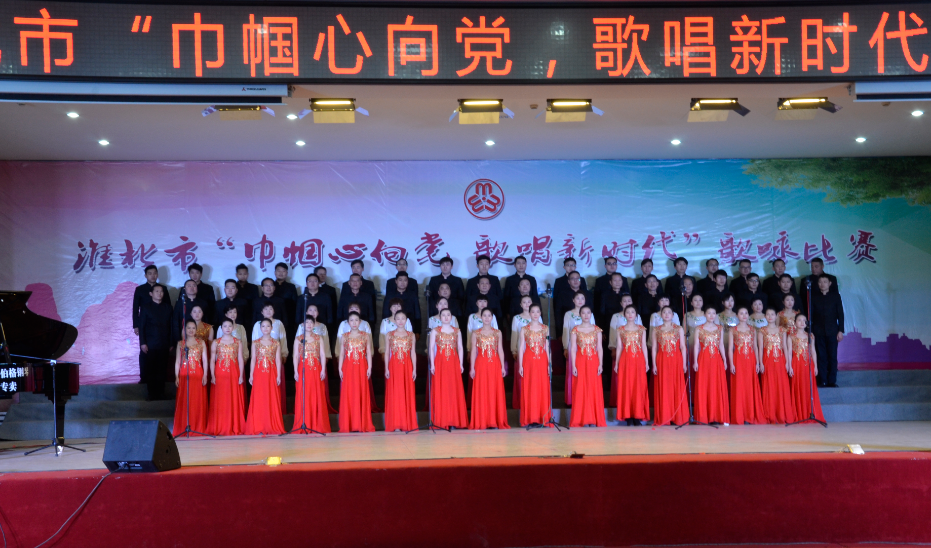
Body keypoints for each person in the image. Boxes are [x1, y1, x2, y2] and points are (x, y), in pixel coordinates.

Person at [469, 308, 509, 430]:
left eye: (489, 316)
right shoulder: (476, 333)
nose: (487, 318)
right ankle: (482, 420)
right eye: (484, 315)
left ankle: (494, 420)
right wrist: (472, 368)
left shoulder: (498, 332)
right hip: (481, 364)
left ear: (492, 318)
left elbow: (500, 350)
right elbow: (473, 351)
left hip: (494, 364)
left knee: (494, 391)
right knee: (482, 391)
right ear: (481, 317)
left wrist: (502, 366)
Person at [244, 318, 286, 435]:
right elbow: (253, 359)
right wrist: (251, 374)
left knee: (271, 397)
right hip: (259, 373)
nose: (265, 328)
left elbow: (278, 360)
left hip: (272, 373)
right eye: (263, 326)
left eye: (268, 326)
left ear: (271, 328)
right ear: (260, 328)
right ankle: (258, 425)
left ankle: (271, 425)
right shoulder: (255, 343)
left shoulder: (276, 343)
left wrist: (278, 375)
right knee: (259, 398)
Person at [429, 309, 468, 430]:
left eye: (448, 315)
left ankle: (454, 420)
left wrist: (461, 364)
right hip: (440, 362)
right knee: (442, 389)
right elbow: (431, 348)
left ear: (451, 317)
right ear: (440, 317)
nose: (446, 317)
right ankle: (442, 420)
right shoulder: (435, 331)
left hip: (453, 362)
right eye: (443, 315)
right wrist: (432, 365)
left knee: (453, 390)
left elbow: (460, 347)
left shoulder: (457, 331)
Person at [292, 315, 331, 434]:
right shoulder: (298, 339)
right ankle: (304, 423)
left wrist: (323, 369)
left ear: (314, 324)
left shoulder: (319, 338)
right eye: (306, 322)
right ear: (302, 325)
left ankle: (317, 424)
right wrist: (295, 371)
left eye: (311, 322)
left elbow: (322, 354)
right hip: (303, 370)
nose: (308, 324)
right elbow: (295, 356)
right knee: (304, 395)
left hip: (315, 369)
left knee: (316, 394)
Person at [207, 319, 246, 436]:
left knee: (233, 399)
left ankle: (234, 426)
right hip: (220, 373)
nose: (228, 328)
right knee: (221, 400)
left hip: (234, 373)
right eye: (225, 326)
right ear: (221, 328)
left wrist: (241, 375)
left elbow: (240, 359)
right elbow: (212, 360)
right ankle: (220, 426)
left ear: (233, 328)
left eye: (230, 326)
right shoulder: (216, 342)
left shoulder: (238, 342)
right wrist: (212, 375)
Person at [338, 311, 375, 433]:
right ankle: (349, 424)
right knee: (349, 393)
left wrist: (369, 367)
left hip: (361, 366)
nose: (354, 322)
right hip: (348, 367)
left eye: (356, 320)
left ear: (360, 322)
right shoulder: (344, 336)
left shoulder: (365, 336)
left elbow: (368, 352)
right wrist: (340, 368)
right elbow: (342, 353)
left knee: (361, 392)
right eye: (351, 320)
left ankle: (362, 424)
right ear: (348, 322)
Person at [727, 307, 765, 425]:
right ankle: (739, 415)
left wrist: (757, 363)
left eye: (746, 313)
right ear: (737, 315)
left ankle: (750, 415)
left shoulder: (752, 329)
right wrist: (731, 363)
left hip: (750, 361)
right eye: (741, 313)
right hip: (738, 360)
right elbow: (730, 349)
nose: (744, 315)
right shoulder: (732, 330)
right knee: (739, 387)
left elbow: (755, 347)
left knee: (749, 387)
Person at [758, 308, 796, 424]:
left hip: (780, 361)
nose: (770, 316)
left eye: (772, 314)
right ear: (765, 316)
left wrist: (788, 363)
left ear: (776, 316)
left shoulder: (782, 330)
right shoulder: (762, 331)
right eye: (768, 314)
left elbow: (785, 347)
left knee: (781, 386)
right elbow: (760, 349)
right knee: (769, 386)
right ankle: (770, 414)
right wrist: (760, 363)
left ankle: (782, 413)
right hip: (767, 360)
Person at [652, 306, 688, 426]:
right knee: (664, 387)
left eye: (669, 312)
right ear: (661, 315)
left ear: (673, 315)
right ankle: (665, 416)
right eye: (664, 312)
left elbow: (682, 347)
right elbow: (654, 348)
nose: (667, 314)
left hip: (676, 360)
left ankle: (677, 417)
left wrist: (684, 363)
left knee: (676, 386)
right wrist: (654, 364)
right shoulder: (656, 329)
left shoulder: (679, 328)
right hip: (662, 360)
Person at [569, 307, 605, 427]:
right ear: (580, 315)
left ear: (591, 314)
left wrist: (600, 364)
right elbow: (573, 349)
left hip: (593, 361)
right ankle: (581, 419)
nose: (586, 315)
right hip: (580, 361)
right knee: (581, 388)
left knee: (593, 388)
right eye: (583, 313)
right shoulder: (575, 329)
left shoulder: (597, 329)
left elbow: (599, 348)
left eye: (588, 313)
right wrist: (573, 365)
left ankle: (594, 418)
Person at [614, 305, 649, 426]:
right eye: (627, 312)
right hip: (625, 360)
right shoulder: (620, 329)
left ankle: (637, 416)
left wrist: (647, 362)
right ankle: (628, 416)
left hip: (639, 360)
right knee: (626, 387)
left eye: (632, 312)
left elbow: (644, 346)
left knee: (638, 387)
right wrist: (617, 363)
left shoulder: (642, 329)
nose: (630, 314)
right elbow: (619, 347)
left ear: (636, 315)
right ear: (624, 315)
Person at [693, 307, 729, 425]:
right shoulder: (699, 328)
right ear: (704, 314)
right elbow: (696, 346)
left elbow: (721, 345)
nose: (712, 315)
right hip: (703, 359)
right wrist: (695, 361)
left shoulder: (720, 328)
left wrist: (724, 360)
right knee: (704, 386)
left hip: (716, 360)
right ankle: (704, 416)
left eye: (714, 313)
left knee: (716, 386)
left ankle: (716, 415)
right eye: (709, 313)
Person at [173, 320, 208, 437]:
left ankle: (197, 426)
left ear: (196, 330)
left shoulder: (201, 342)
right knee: (185, 400)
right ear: (185, 329)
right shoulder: (180, 344)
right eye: (189, 328)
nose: (191, 330)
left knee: (197, 401)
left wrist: (205, 375)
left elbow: (205, 360)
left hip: (198, 374)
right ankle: (184, 426)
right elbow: (178, 361)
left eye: (193, 328)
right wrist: (176, 376)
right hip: (184, 374)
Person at [787, 314, 826, 422]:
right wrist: (789, 366)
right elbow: (789, 352)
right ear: (795, 322)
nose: (802, 322)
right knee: (797, 388)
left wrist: (816, 366)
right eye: (799, 320)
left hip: (808, 365)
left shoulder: (810, 336)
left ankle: (810, 413)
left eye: (804, 320)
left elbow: (813, 351)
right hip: (796, 364)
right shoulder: (791, 336)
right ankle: (799, 414)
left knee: (808, 389)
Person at [518, 304, 552, 427]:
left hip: (542, 360)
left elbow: (547, 347)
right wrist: (520, 365)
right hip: (528, 361)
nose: (535, 314)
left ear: (540, 313)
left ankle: (543, 418)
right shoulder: (524, 329)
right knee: (530, 388)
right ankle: (530, 418)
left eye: (538, 311)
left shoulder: (545, 328)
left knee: (542, 388)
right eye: (533, 312)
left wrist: (549, 364)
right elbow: (521, 347)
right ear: (530, 313)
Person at [138, 284, 172, 400]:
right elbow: (142, 326)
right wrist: (143, 343)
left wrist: (171, 343)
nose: (159, 293)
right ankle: (151, 393)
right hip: (150, 344)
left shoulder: (168, 307)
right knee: (151, 370)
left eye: (161, 291)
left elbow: (171, 326)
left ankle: (161, 393)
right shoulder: (145, 307)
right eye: (157, 291)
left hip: (164, 343)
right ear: (151, 294)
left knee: (162, 369)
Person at [385, 311, 417, 432]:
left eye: (403, 318)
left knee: (406, 393)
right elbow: (387, 352)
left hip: (407, 366)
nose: (400, 321)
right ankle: (396, 423)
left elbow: (413, 353)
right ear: (394, 320)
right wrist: (386, 368)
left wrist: (414, 369)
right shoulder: (389, 335)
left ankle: (406, 423)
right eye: (397, 318)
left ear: (406, 320)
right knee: (396, 393)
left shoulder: (411, 335)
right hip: (394, 366)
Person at [133, 265, 166, 383]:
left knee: (159, 355)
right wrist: (136, 325)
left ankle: (158, 379)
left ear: (157, 275)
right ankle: (144, 378)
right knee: (144, 352)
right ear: (145, 275)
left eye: (154, 273)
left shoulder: (163, 289)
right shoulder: (140, 289)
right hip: (145, 325)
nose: (152, 275)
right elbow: (135, 308)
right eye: (150, 273)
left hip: (160, 328)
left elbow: (167, 307)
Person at [810, 275, 844, 388]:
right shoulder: (814, 297)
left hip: (832, 331)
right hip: (818, 331)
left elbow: (840, 314)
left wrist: (840, 330)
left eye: (825, 282)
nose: (822, 284)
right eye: (820, 282)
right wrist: (811, 331)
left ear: (830, 283)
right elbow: (811, 315)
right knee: (821, 356)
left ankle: (832, 380)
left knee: (832, 356)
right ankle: (823, 380)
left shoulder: (835, 296)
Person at [562, 291, 595, 406]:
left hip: (588, 347)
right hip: (573, 346)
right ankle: (573, 399)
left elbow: (594, 331)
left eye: (582, 298)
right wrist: (565, 347)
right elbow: (566, 330)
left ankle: (586, 398)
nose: (580, 301)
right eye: (577, 298)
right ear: (573, 300)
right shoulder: (568, 314)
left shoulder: (590, 314)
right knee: (574, 371)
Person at [510, 295, 533, 410]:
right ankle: (521, 401)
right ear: (520, 304)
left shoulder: (536, 316)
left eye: (529, 302)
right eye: (524, 302)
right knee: (521, 374)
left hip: (535, 350)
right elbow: (514, 334)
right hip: (521, 348)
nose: (527, 304)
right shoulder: (517, 318)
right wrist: (514, 349)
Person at [555, 271, 592, 339]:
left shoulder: (588, 294)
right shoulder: (562, 294)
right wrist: (560, 332)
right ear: (569, 281)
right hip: (569, 329)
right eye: (572, 279)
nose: (575, 280)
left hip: (587, 331)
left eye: (578, 278)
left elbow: (592, 311)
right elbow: (558, 314)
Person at [502, 255, 538, 321]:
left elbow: (535, 295)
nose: (521, 265)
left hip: (530, 310)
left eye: (523, 263)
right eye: (518, 263)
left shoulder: (531, 279)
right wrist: (507, 313)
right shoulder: (510, 279)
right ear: (514, 265)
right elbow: (506, 297)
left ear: (526, 264)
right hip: (514, 309)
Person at [594, 257, 629, 324]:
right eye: (609, 264)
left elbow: (627, 295)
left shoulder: (624, 279)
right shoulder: (600, 281)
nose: (612, 266)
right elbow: (597, 300)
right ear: (605, 266)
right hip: (607, 315)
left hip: (623, 315)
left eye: (614, 263)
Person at [272, 262, 299, 333]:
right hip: (272, 317)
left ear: (287, 273)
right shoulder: (270, 285)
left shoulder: (291, 287)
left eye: (283, 271)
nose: (281, 273)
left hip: (288, 318)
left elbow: (295, 304)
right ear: (275, 272)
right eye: (279, 270)